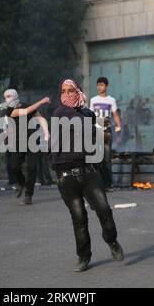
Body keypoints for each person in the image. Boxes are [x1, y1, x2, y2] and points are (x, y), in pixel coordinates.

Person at [51, 79, 124, 272]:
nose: (66, 94)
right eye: (63, 91)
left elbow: (93, 132)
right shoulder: (60, 112)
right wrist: (99, 132)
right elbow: (82, 127)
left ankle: (111, 240)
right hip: (65, 174)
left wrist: (100, 133)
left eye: (71, 91)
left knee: (104, 210)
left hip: (88, 171)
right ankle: (84, 256)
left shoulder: (88, 113)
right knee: (79, 218)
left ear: (79, 92)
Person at [0, 89, 50, 205]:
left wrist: (46, 132)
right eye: (5, 97)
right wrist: (41, 102)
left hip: (32, 140)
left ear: (15, 96)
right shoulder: (10, 110)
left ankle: (28, 195)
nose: (7, 99)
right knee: (14, 166)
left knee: (32, 168)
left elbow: (40, 118)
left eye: (9, 96)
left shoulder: (27, 105)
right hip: (18, 141)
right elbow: (25, 111)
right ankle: (21, 183)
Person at [89, 77, 121, 190]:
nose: (99, 87)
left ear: (106, 86)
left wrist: (118, 126)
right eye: (98, 85)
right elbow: (91, 115)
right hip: (96, 131)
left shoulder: (111, 100)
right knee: (97, 158)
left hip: (106, 131)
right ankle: (98, 184)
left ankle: (108, 184)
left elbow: (115, 114)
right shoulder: (93, 100)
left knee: (107, 159)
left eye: (102, 85)